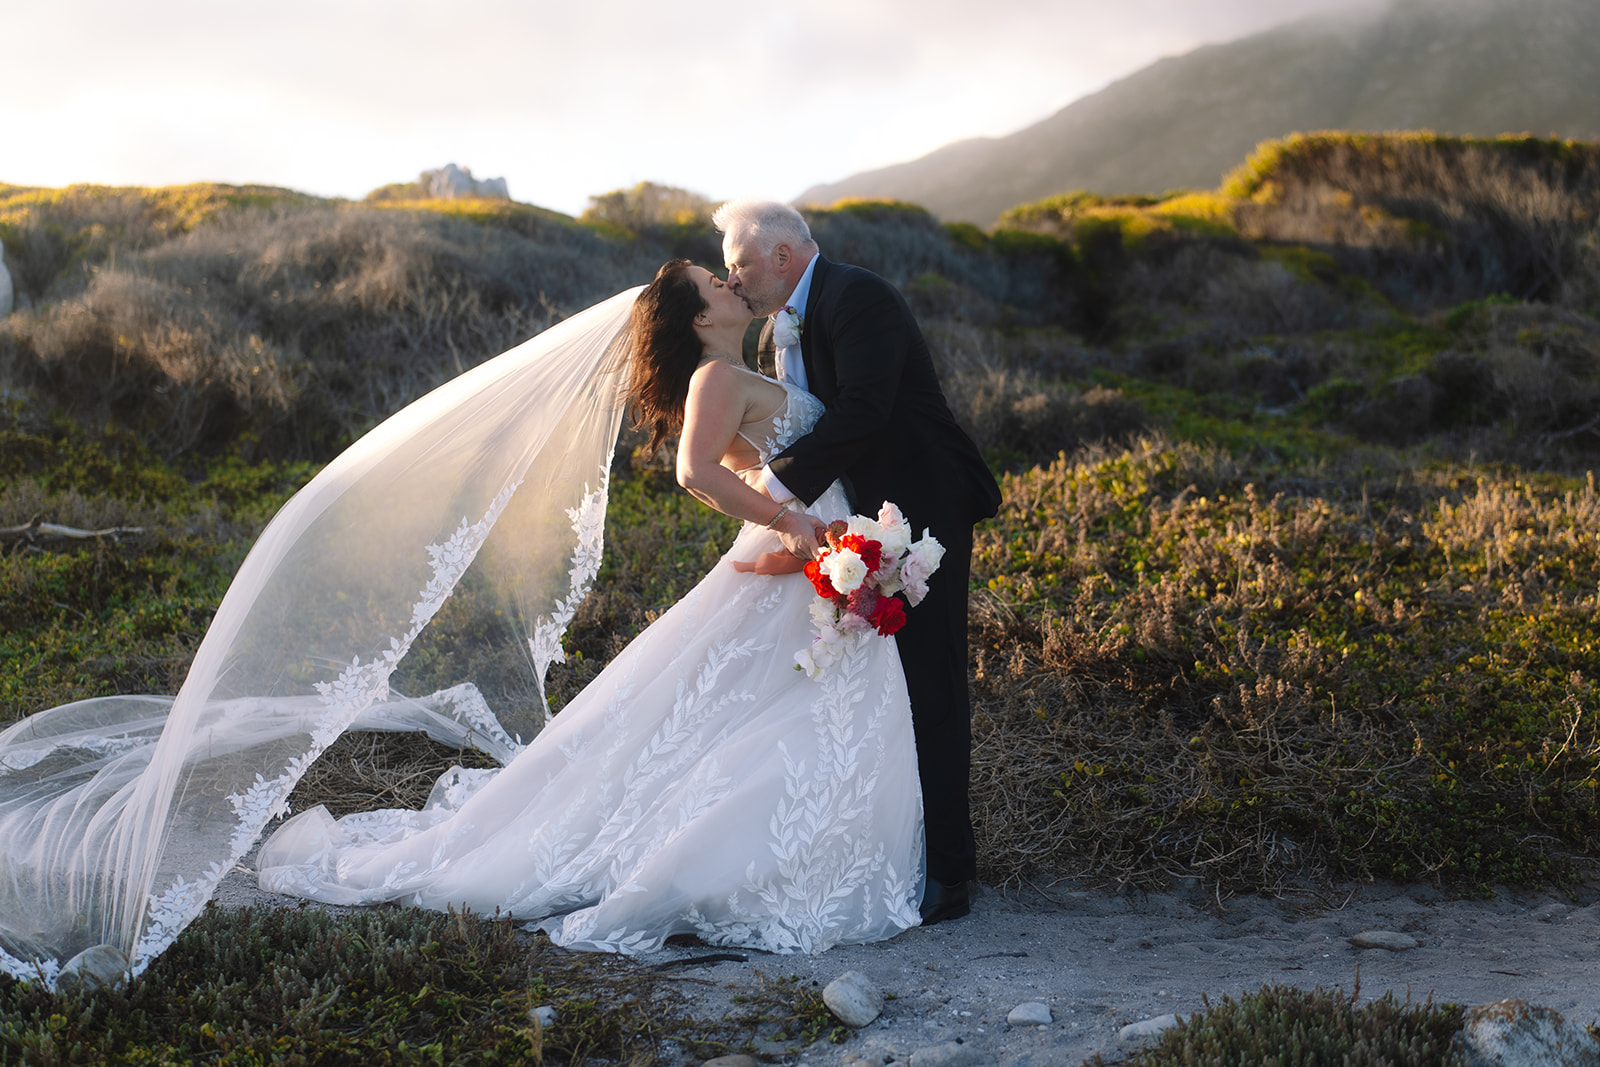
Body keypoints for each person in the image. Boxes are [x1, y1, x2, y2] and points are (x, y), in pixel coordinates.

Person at [246, 258, 928, 953]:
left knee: (755, 709)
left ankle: (787, 848)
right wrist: (789, 525)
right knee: (772, 708)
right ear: (699, 317)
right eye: (713, 283)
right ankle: (753, 856)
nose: (728, 281)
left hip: (815, 554)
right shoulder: (715, 377)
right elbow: (693, 470)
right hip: (801, 550)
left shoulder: (742, 368)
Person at [714, 200, 1002, 925]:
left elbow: (866, 409)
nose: (733, 276)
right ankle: (882, 854)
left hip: (919, 504)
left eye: (740, 263)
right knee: (870, 688)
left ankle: (948, 875)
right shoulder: (775, 332)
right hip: (849, 519)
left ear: (782, 256)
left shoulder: (858, 295)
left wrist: (776, 496)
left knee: (930, 677)